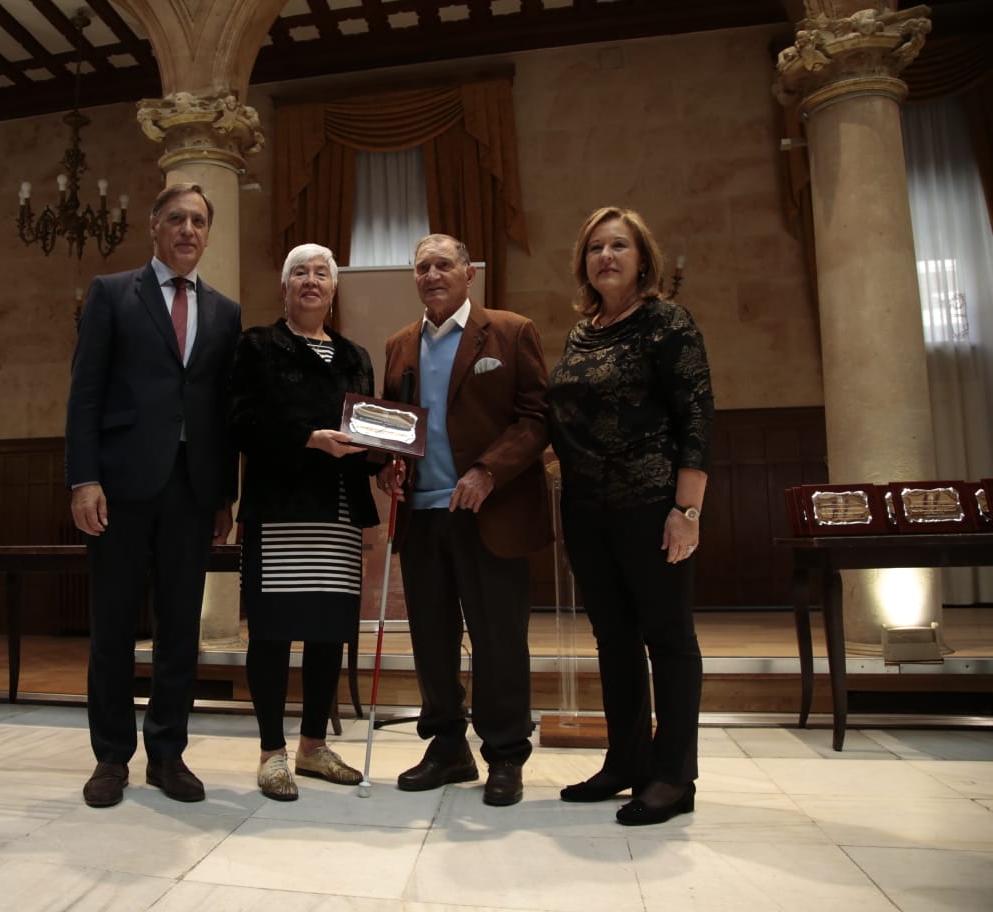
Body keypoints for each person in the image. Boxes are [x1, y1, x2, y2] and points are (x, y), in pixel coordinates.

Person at [65, 183, 242, 808]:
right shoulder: (113, 293)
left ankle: (168, 753)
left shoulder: (226, 311)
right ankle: (111, 758)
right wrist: (83, 479)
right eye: (177, 219)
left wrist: (224, 496)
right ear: (154, 227)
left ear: (207, 232)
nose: (188, 230)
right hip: (118, 488)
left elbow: (225, 412)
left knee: (180, 633)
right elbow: (85, 392)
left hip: (191, 493)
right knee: (112, 627)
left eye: (198, 220)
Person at [546, 206, 714, 826]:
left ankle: (674, 776)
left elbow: (697, 419)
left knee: (668, 639)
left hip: (651, 504)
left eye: (619, 246)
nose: (606, 257)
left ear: (643, 257)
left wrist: (686, 510)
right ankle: (626, 762)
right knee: (614, 640)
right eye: (595, 248)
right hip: (587, 512)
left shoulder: (667, 322)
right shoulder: (581, 332)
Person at [379, 233, 551, 807]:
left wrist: (487, 472)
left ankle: (505, 753)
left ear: (468, 273)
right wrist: (389, 466)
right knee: (431, 640)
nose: (432, 274)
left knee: (499, 639)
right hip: (423, 518)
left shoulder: (510, 331)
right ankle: (447, 747)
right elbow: (394, 427)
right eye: (422, 266)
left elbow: (536, 417)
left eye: (443, 264)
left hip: (488, 512)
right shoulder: (399, 345)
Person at [229, 243, 379, 801]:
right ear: (284, 287)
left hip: (339, 510)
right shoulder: (256, 346)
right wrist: (306, 440)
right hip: (279, 509)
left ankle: (313, 747)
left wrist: (388, 461)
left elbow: (368, 430)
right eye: (299, 272)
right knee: (272, 633)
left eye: (321, 273)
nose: (311, 280)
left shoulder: (356, 356)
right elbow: (240, 424)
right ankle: (272, 753)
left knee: (327, 633)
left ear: (334, 289)